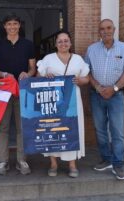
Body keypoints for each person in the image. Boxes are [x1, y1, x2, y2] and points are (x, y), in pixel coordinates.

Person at [84, 19, 124, 180]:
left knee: (118, 131)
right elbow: (86, 71)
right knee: (100, 130)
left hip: (116, 96)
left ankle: (118, 164)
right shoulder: (92, 49)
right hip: (96, 94)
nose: (105, 31)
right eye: (102, 29)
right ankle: (106, 159)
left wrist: (114, 89)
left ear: (114, 29)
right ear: (99, 31)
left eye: (108, 28)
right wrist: (99, 88)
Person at [37, 30, 89, 178]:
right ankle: (53, 163)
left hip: (73, 100)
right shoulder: (48, 58)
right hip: (53, 100)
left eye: (66, 41)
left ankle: (72, 164)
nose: (63, 43)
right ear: (56, 44)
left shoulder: (78, 59)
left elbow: (87, 78)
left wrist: (80, 81)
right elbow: (37, 75)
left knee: (71, 128)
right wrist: (44, 76)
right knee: (53, 130)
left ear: (70, 43)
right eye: (60, 41)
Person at [0, 13, 36, 175]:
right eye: (9, 24)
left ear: (19, 25)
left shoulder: (28, 44)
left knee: (22, 127)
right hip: (3, 92)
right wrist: (3, 74)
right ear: (4, 26)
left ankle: (22, 161)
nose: (12, 27)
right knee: (3, 127)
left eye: (15, 24)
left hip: (22, 91)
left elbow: (33, 68)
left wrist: (28, 74)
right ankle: (3, 161)